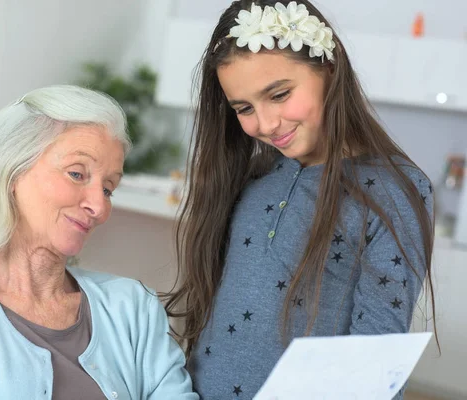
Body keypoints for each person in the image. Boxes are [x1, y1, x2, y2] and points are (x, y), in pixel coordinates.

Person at [163, 1, 435, 398]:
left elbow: (375, 361)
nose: (266, 124)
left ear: (329, 67)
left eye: (279, 94)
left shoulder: (395, 190)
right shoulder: (253, 175)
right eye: (244, 108)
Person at [0, 85, 198, 400]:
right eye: (77, 174)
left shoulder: (133, 308)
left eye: (108, 189)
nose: (99, 208)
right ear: (12, 170)